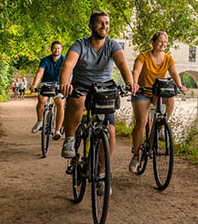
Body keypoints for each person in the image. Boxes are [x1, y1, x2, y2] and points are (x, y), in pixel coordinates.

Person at [59, 11, 135, 196]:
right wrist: (64, 83)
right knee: (78, 101)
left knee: (109, 131)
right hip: (82, 87)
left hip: (103, 90)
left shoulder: (112, 45)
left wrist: (130, 82)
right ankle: (69, 140)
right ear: (91, 26)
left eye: (107, 23)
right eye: (100, 23)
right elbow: (68, 65)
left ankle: (102, 174)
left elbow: (122, 64)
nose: (104, 27)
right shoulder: (80, 44)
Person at [128, 31, 187, 173]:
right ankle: (136, 156)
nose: (163, 44)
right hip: (142, 91)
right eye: (160, 41)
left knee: (171, 98)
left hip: (157, 92)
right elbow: (136, 71)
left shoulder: (168, 58)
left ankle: (160, 127)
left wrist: (179, 85)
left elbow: (173, 73)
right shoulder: (143, 56)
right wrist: (134, 84)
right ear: (153, 42)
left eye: (165, 42)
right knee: (141, 122)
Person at [30, 41, 66, 139]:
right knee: (42, 100)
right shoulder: (45, 60)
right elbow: (40, 73)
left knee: (60, 104)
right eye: (54, 48)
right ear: (51, 49)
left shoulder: (64, 59)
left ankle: (57, 131)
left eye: (58, 48)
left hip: (59, 85)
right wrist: (34, 85)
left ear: (61, 49)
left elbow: (69, 72)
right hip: (46, 84)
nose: (56, 50)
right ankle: (40, 122)